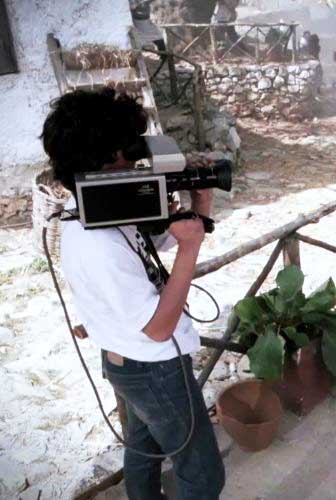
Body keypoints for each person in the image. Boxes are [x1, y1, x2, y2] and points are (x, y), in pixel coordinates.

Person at [40, 88, 225, 500]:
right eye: (126, 158)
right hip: (153, 368)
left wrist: (201, 204)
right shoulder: (98, 243)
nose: (134, 166)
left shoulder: (97, 214)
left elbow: (154, 245)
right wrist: (191, 248)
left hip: (127, 362)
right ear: (103, 161)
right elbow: (159, 329)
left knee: (144, 451)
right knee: (202, 473)